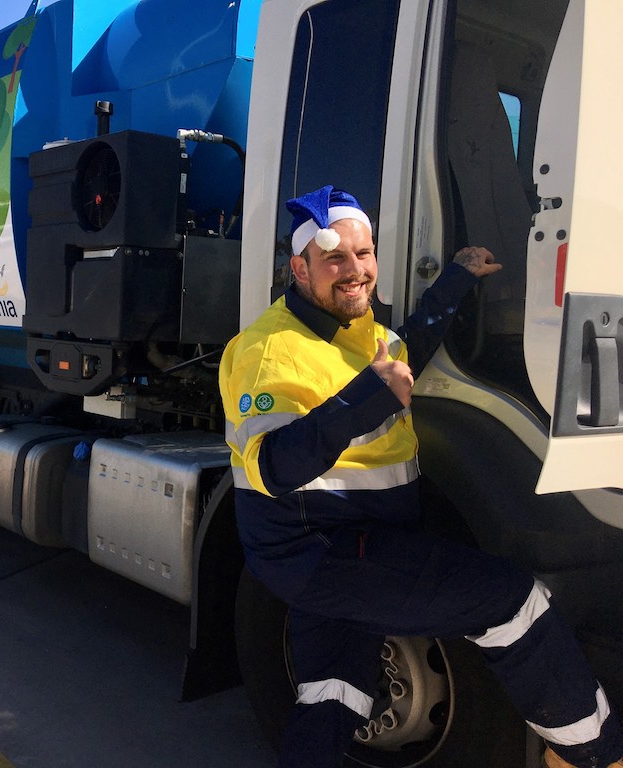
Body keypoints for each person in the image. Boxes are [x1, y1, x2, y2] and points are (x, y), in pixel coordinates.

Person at [218, 185, 623, 768]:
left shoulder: (365, 333)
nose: (355, 271)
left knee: (336, 693)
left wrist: (457, 277)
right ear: (299, 270)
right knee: (513, 604)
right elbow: (274, 467)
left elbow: (413, 344)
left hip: (336, 549)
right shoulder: (269, 350)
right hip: (321, 551)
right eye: (334, 259)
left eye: (365, 253)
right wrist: (365, 401)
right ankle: (594, 754)